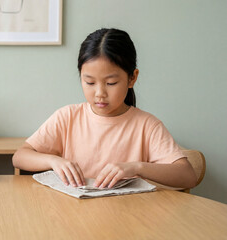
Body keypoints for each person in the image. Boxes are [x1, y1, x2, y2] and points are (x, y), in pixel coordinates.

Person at [13, 28, 196, 189]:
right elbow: (20, 157)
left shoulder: (147, 125)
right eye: (89, 82)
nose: (100, 93)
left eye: (111, 83)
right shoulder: (68, 117)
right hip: (74, 218)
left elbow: (187, 176)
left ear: (132, 78)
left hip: (129, 219)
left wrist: (136, 167)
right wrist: (53, 161)